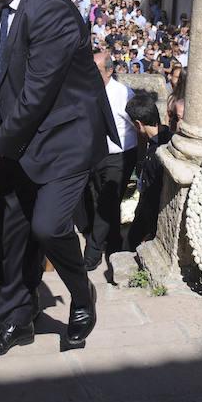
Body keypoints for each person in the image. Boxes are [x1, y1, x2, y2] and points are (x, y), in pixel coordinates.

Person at [0, 0, 116, 358]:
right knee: (15, 233)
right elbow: (1, 80)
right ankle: (16, 318)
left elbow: (37, 91)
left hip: (67, 136)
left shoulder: (52, 12)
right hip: (23, 140)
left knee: (49, 226)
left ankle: (81, 295)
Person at [77, 52, 137, 270]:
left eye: (97, 70)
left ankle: (92, 253)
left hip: (119, 155)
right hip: (94, 154)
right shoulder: (86, 89)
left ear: (110, 71)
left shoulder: (123, 94)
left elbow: (136, 124)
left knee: (107, 201)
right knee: (96, 198)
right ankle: (114, 241)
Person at [126, 91, 171, 251]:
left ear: (138, 124)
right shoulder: (168, 137)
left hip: (152, 213)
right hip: (148, 209)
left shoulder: (157, 152)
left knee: (133, 241)